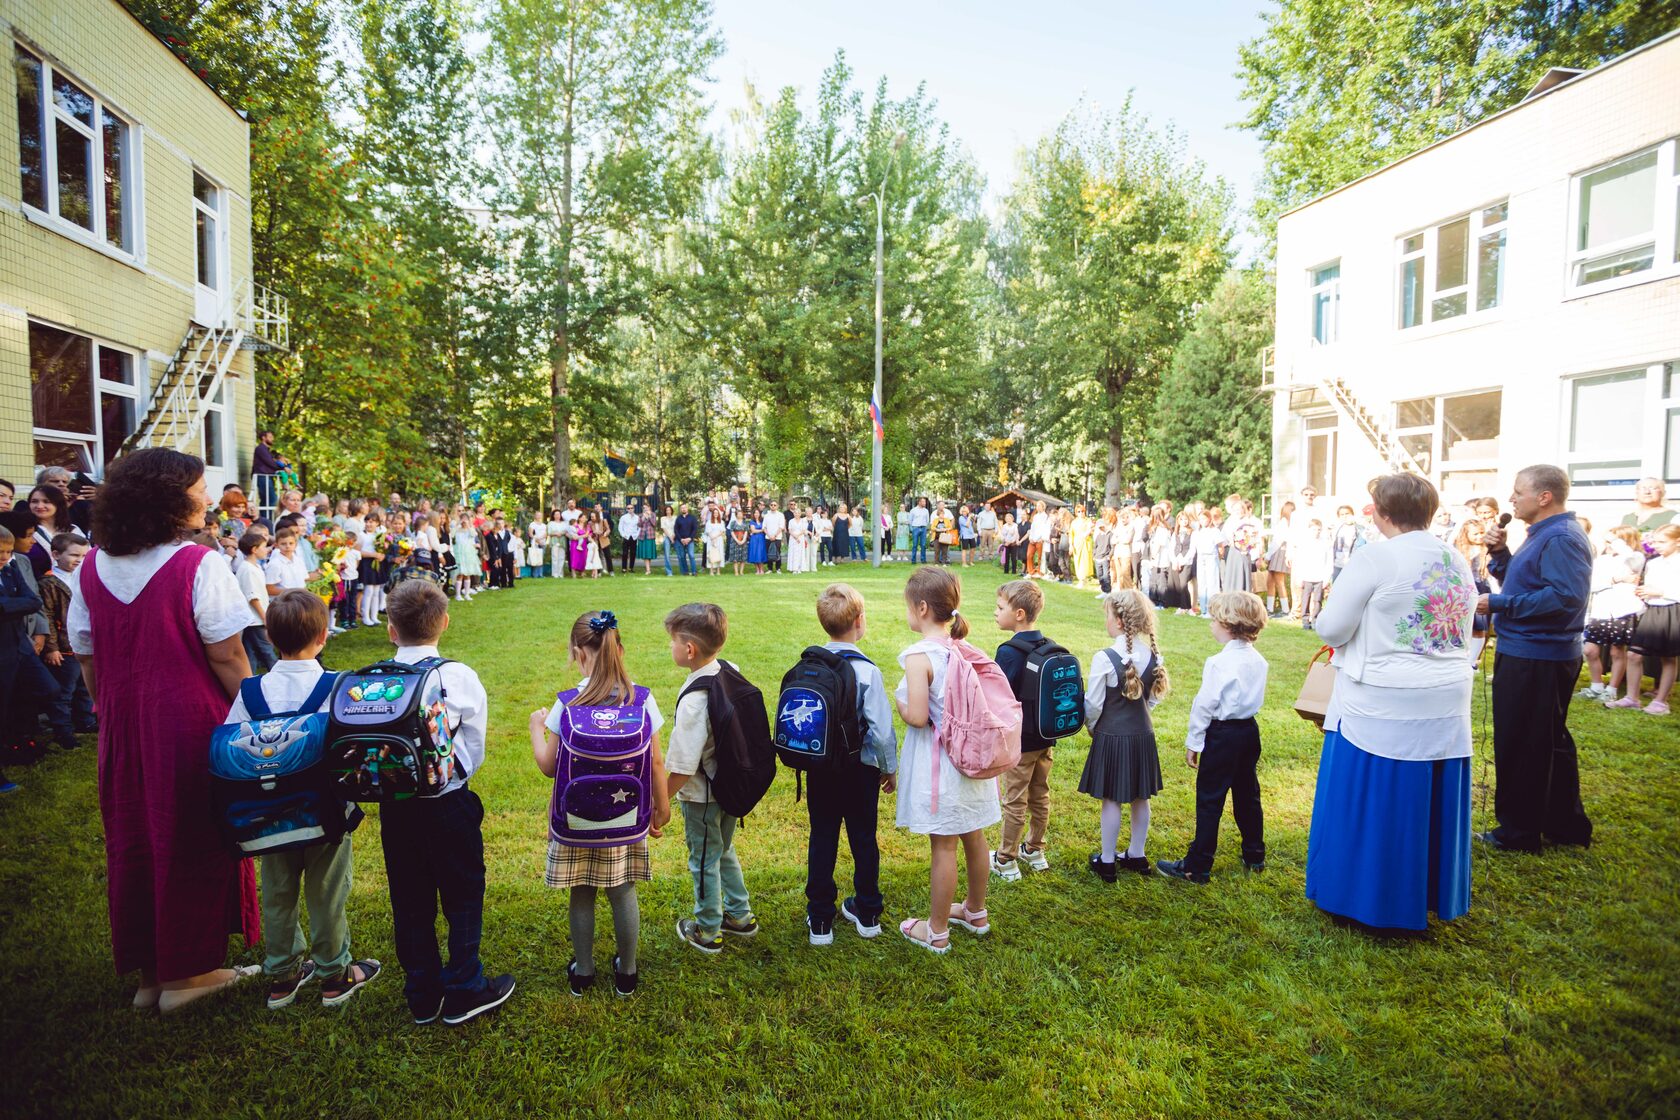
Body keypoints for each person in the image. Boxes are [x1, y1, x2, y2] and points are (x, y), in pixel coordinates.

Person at [68, 448, 261, 1012]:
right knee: (192, 837)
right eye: (199, 489)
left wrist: (114, 714)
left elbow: (87, 658)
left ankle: (153, 972)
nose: (206, 497)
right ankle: (187, 976)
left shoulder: (92, 565)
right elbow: (227, 654)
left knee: (136, 838)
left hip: (124, 726)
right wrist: (252, 714)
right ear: (168, 498)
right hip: (188, 721)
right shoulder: (196, 564)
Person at [1304, 474, 1477, 931]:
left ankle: (1364, 897)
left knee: (1374, 803)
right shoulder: (1455, 557)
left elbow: (1331, 628)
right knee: (1423, 801)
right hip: (1447, 692)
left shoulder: (1375, 558)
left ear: (1382, 512)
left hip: (1386, 696)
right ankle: (1426, 891)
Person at [223, 590, 382, 1009]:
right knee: (327, 890)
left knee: (276, 890)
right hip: (325, 811)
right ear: (324, 636)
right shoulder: (337, 685)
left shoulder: (251, 690)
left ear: (272, 639)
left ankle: (282, 975)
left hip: (266, 813)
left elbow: (234, 745)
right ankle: (334, 973)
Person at [378, 579, 515, 1024]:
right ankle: (465, 985)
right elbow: (473, 748)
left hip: (396, 808)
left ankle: (422, 991)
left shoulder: (372, 680)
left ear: (390, 629)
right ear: (445, 623)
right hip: (447, 804)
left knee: (409, 896)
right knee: (462, 894)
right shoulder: (457, 676)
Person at [529, 610, 671, 997]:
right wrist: (662, 806)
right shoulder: (641, 699)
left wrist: (534, 728)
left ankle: (584, 971)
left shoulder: (568, 704)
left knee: (582, 893)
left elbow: (547, 766)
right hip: (626, 818)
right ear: (620, 650)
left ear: (578, 654)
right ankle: (627, 971)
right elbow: (657, 761)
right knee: (623, 890)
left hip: (575, 824)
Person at [1477, 465, 1594, 854]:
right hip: (1533, 652)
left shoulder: (1561, 537)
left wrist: (1499, 603)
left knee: (1522, 742)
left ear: (1544, 497)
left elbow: (1564, 599)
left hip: (1537, 655)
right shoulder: (1544, 534)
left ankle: (1519, 832)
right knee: (1547, 741)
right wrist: (1499, 553)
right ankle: (1563, 824)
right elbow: (1526, 582)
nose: (1512, 499)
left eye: (1518, 492)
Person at [894, 567, 1000, 954]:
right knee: (974, 834)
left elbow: (919, 716)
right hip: (972, 762)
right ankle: (975, 910)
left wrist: (900, 703)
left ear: (922, 608)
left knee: (943, 845)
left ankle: (936, 930)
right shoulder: (960, 647)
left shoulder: (919, 655)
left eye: (907, 606)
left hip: (943, 767)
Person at [804, 584, 898, 945]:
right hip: (860, 769)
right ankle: (868, 911)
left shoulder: (811, 665)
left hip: (821, 768)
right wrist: (889, 767)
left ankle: (821, 919)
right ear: (860, 621)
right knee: (863, 837)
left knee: (822, 837)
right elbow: (882, 730)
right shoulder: (867, 672)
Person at [664, 603, 759, 953]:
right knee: (724, 850)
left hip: (701, 797)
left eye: (672, 642)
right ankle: (740, 914)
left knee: (703, 859)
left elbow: (683, 766)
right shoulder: (729, 669)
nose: (670, 648)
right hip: (732, 787)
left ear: (689, 650)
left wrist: (661, 803)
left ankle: (707, 929)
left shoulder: (693, 702)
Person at [1157, 591, 1269, 884]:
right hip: (1248, 731)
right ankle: (1254, 852)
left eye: (1215, 619)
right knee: (1248, 793)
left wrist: (1194, 742)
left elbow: (1204, 706)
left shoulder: (1219, 663)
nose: (1211, 624)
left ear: (1230, 624)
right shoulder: (1259, 660)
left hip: (1223, 734)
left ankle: (1197, 864)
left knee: (1210, 799)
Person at [1080, 588, 1169, 881]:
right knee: (1141, 797)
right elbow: (1153, 699)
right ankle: (1136, 853)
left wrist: (1093, 727)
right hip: (1143, 735)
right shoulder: (1153, 655)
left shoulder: (1105, 658)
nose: (1105, 621)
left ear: (1118, 620)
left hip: (1112, 735)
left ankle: (1107, 860)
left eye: (1106, 615)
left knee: (1111, 799)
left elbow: (1093, 703)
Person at [989, 579, 1056, 881]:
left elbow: (998, 695)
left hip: (1020, 741)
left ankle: (1006, 858)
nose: (995, 612)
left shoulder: (1009, 651)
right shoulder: (1047, 645)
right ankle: (1036, 849)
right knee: (1040, 794)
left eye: (1000, 608)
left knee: (1015, 798)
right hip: (1045, 737)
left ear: (1018, 614)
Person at [1612, 522, 1680, 715]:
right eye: (1655, 542)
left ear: (1678, 542)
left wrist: (1661, 592)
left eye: (1663, 542)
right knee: (1634, 654)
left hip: (1672, 610)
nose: (1657, 545)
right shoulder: (1653, 563)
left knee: (1668, 657)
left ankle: (1661, 701)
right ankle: (1632, 697)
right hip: (1652, 610)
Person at [1582, 525, 1645, 703]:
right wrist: (1615, 580)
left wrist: (1619, 544)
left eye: (1613, 540)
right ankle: (1596, 686)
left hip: (1622, 609)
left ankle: (1612, 689)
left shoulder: (1635, 557)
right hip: (1601, 609)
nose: (1609, 544)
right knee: (1590, 649)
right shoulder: (1603, 560)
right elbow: (1593, 585)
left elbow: (1633, 560)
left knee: (1617, 651)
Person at [234, 531, 277, 673]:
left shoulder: (255, 567)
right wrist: (264, 617)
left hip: (254, 619)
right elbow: (252, 597)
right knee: (267, 651)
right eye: (264, 547)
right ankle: (279, 675)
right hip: (256, 619)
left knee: (250, 652)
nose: (267, 550)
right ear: (254, 549)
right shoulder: (247, 569)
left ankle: (248, 677)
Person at [1294, 519, 1332, 630]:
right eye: (1314, 529)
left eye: (1319, 529)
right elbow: (1299, 561)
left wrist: (1326, 577)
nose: (1316, 532)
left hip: (1320, 576)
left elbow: (1329, 561)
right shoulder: (1304, 543)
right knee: (1305, 598)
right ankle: (1305, 620)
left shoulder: (1325, 543)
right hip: (1307, 576)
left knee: (1318, 600)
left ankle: (1316, 619)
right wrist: (1299, 577)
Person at [450, 512, 480, 602]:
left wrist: (469, 525)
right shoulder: (457, 530)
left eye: (465, 520)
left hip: (468, 554)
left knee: (467, 574)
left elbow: (474, 534)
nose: (464, 522)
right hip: (460, 553)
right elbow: (451, 535)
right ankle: (458, 594)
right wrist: (458, 524)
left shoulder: (470, 530)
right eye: (462, 520)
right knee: (460, 574)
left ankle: (467, 593)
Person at [673, 503, 700, 577]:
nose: (683, 509)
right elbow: (676, 530)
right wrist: (681, 539)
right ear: (680, 509)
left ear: (687, 508)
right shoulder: (678, 518)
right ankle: (685, 572)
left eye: (684, 508)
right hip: (680, 540)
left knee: (691, 555)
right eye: (682, 508)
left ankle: (694, 571)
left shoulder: (692, 518)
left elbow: (695, 529)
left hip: (690, 540)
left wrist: (689, 538)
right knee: (682, 556)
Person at [762, 501, 786, 574]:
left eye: (774, 505)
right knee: (769, 553)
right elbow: (764, 527)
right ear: (769, 506)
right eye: (771, 505)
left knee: (777, 553)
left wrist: (775, 535)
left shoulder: (780, 515)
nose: (773, 506)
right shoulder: (766, 515)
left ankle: (778, 568)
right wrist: (769, 536)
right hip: (768, 537)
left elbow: (781, 527)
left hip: (777, 537)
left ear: (777, 506)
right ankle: (770, 569)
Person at [617, 506, 640, 573]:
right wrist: (623, 535)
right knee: (625, 553)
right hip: (626, 537)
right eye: (628, 508)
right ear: (627, 509)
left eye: (631, 508)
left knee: (633, 553)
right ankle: (624, 568)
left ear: (634, 509)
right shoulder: (623, 517)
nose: (630, 509)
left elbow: (639, 527)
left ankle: (631, 568)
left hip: (634, 537)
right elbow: (620, 527)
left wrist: (637, 535)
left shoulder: (637, 517)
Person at [908, 498, 931, 565]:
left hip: (923, 528)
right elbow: (910, 520)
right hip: (916, 528)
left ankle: (923, 560)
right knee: (915, 545)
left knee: (923, 545)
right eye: (923, 502)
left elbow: (927, 520)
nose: (925, 503)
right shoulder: (913, 510)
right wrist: (911, 529)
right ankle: (913, 560)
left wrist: (927, 529)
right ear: (919, 502)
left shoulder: (926, 511)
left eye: (925, 502)